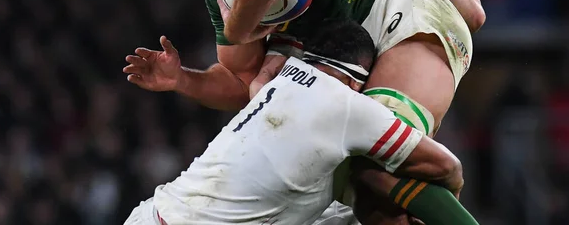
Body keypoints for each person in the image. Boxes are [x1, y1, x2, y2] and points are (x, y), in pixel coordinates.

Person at [112, 0, 483, 224]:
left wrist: (240, 27)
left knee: (381, 166)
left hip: (398, 5)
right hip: (365, 40)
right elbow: (243, 81)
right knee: (369, 193)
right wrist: (182, 79)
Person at [123, 19, 478, 225]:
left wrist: (182, 78)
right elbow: (447, 165)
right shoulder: (347, 105)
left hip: (150, 213)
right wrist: (452, 190)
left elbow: (242, 81)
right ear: (359, 78)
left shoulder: (274, 81)